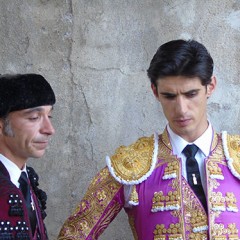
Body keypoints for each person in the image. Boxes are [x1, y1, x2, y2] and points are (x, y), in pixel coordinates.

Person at [58, 39, 240, 239]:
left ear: (210, 86)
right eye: (169, 96)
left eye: (191, 94)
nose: (181, 109)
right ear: (155, 92)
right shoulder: (131, 165)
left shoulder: (236, 155)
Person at [0, 74, 56, 239]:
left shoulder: (26, 178)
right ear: (2, 124)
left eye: (49, 116)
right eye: (34, 118)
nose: (49, 129)